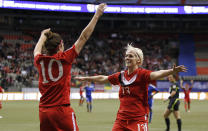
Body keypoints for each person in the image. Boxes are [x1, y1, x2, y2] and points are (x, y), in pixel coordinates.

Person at [75, 44, 187, 131]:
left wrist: (172, 71)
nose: (127, 58)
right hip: (121, 120)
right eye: (126, 56)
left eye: (131, 56)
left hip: (138, 119)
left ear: (138, 60)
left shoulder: (142, 74)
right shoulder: (121, 75)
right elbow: (103, 78)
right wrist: (86, 78)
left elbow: (156, 74)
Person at [33, 3, 106, 131]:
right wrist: (97, 14)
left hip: (44, 112)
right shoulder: (65, 58)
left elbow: (36, 50)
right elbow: (84, 37)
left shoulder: (40, 61)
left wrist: (42, 35)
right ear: (61, 45)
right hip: (61, 111)